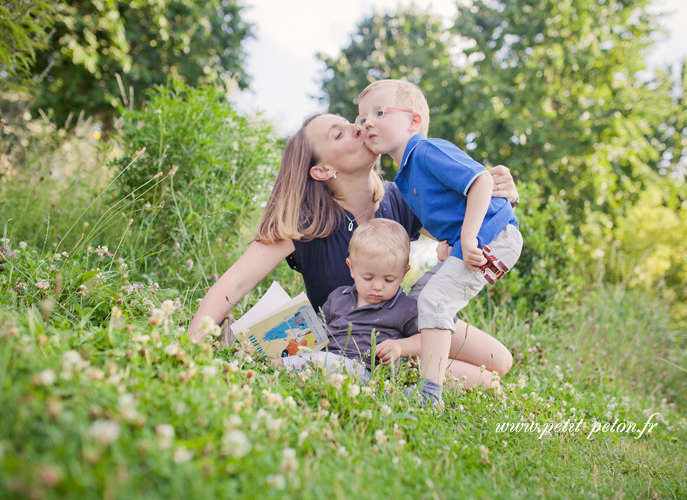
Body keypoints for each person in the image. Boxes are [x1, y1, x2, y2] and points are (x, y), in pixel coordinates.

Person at [187, 112, 518, 389]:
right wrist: (191, 345)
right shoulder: (305, 220)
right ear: (322, 170)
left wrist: (500, 192)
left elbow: (468, 215)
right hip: (349, 340)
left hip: (399, 321)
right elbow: (234, 284)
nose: (359, 127)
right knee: (486, 381)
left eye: (352, 122)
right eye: (339, 134)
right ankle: (396, 372)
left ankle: (404, 363)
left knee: (499, 361)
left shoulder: (399, 198)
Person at [356, 79, 523, 405]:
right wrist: (450, 242)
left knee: (434, 300)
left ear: (414, 121)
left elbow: (481, 180)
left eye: (379, 112)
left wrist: (467, 236)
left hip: (496, 234)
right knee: (428, 299)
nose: (368, 123)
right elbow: (445, 215)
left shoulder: (426, 150)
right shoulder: (405, 177)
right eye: (361, 118)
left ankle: (429, 392)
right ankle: (455, 380)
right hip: (478, 236)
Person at [272, 219, 420, 381]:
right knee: (322, 358)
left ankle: (279, 365)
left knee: (331, 362)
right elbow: (318, 327)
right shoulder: (339, 297)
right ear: (352, 268)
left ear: (403, 274)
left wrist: (400, 346)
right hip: (328, 359)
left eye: (389, 280)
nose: (378, 286)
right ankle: (280, 359)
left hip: (367, 369)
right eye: (368, 277)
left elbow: (426, 340)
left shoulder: (405, 308)